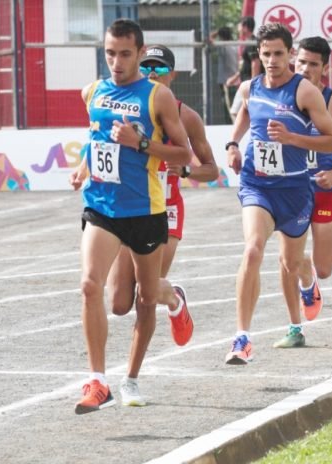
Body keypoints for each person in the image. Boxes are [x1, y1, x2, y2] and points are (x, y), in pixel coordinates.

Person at [68, 19, 192, 414]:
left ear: (140, 53)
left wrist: (140, 142)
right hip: (102, 206)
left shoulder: (157, 98)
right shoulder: (93, 92)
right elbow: (96, 138)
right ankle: (97, 381)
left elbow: (184, 155)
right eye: (109, 53)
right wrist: (84, 168)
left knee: (144, 298)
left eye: (124, 54)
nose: (116, 62)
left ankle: (132, 377)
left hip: (146, 211)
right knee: (90, 286)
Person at [104, 44, 219, 406]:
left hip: (166, 211)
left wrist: (184, 170)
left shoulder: (187, 117)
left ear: (173, 75)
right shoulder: (128, 106)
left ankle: (131, 380)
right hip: (129, 208)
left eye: (160, 68)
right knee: (120, 302)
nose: (152, 73)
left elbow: (212, 169)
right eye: (147, 66)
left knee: (144, 297)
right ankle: (175, 296)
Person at [223, 23, 332, 364]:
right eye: (265, 54)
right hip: (257, 184)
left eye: (278, 54)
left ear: (290, 54)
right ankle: (242, 337)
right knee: (253, 249)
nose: (272, 60)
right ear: (258, 55)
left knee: (290, 263)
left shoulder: (304, 92)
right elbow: (245, 114)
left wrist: (293, 139)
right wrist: (233, 144)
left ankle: (308, 279)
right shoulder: (251, 87)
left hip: (294, 189)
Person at [271, 36, 332, 348]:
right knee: (288, 260)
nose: (305, 69)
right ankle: (294, 326)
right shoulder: (279, 97)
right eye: (301, 62)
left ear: (324, 68)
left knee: (324, 269)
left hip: (325, 190)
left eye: (313, 64)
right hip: (289, 188)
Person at [227, 17, 265, 121]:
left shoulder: (252, 42)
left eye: (239, 26)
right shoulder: (247, 42)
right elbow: (245, 65)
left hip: (249, 82)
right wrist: (235, 77)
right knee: (240, 110)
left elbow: (255, 63)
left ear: (245, 27)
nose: (238, 28)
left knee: (235, 111)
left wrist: (254, 83)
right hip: (246, 82)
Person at [211, 27, 239, 123]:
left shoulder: (222, 46)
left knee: (228, 107)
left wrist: (216, 32)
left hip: (225, 81)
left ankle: (230, 125)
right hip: (236, 79)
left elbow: (209, 39)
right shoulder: (235, 45)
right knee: (235, 106)